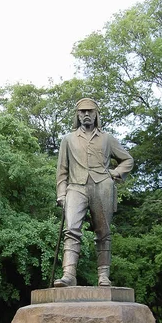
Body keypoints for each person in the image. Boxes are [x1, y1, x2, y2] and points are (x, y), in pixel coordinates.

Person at [54, 98, 134, 287]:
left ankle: (103, 276)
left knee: (103, 232)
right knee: (71, 230)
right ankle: (68, 274)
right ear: (77, 115)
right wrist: (61, 193)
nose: (86, 114)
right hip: (76, 187)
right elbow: (61, 170)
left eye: (90, 111)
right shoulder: (68, 139)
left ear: (96, 114)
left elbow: (127, 160)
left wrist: (115, 173)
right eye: (82, 112)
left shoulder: (107, 138)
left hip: (102, 187)